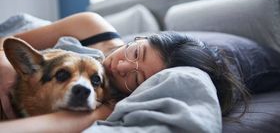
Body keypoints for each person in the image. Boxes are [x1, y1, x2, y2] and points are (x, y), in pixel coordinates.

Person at [0, 12, 249, 132]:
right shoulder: (90, 26)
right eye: (136, 52)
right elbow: (6, 43)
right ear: (140, 38)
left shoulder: (112, 102)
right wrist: (3, 63)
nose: (120, 67)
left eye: (136, 78)